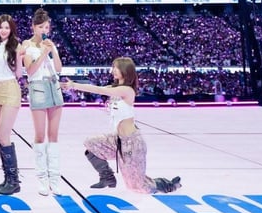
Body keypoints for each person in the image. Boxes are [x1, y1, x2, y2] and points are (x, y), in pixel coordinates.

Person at [62, 56, 181, 194]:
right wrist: (63, 85)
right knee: (91, 143)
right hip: (116, 140)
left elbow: (100, 90)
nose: (113, 70)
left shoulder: (127, 90)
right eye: (113, 67)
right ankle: (107, 177)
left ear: (125, 70)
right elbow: (99, 89)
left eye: (116, 68)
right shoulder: (115, 88)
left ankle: (169, 185)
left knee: (138, 187)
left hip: (132, 143)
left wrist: (75, 85)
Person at [22, 8, 64, 196]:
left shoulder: (51, 45)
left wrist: (53, 50)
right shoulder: (27, 45)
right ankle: (42, 179)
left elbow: (59, 68)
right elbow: (30, 71)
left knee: (53, 136)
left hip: (54, 86)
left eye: (46, 27)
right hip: (38, 87)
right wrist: (43, 53)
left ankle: (55, 179)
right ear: (33, 27)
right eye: (40, 27)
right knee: (40, 135)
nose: (44, 30)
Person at [0, 13, 22, 194]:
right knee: (1, 137)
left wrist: (19, 56)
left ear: (11, 29)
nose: (4, 30)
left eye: (7, 27)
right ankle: (8, 179)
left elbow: (19, 74)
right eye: (1, 27)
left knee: (4, 135)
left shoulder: (16, 45)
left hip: (10, 89)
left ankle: (14, 181)